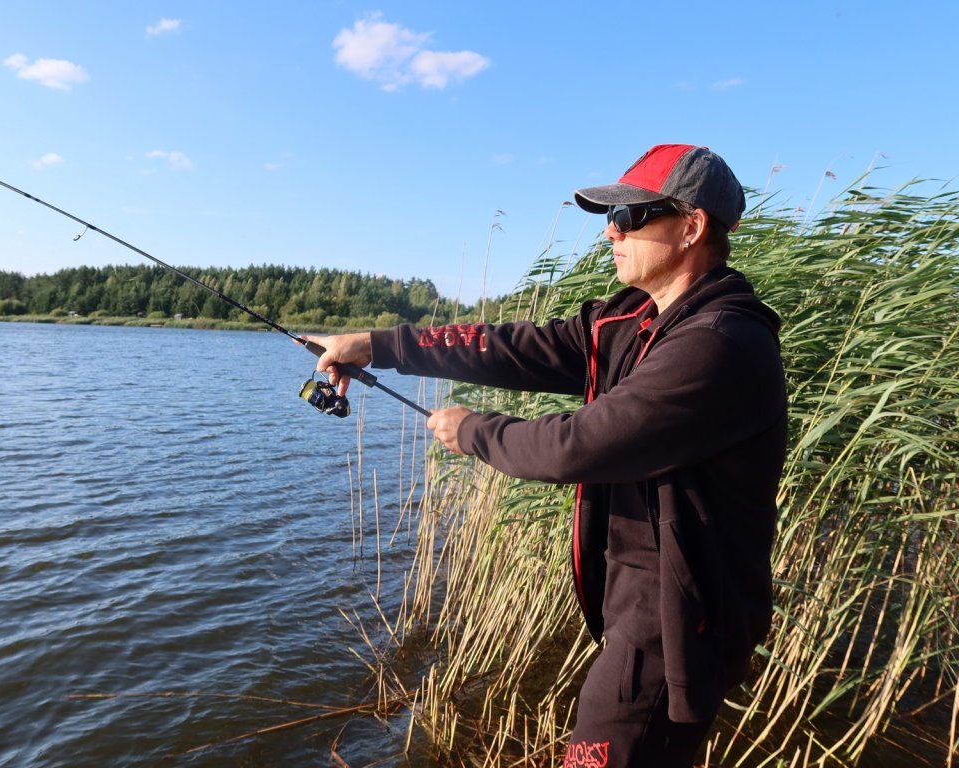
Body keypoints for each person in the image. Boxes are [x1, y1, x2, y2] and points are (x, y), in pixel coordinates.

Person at [309, 144, 787, 768]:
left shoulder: (720, 343)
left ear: (692, 227)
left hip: (676, 628)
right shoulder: (633, 321)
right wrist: (376, 344)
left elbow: (582, 443)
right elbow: (510, 346)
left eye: (632, 218)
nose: (611, 232)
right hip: (643, 609)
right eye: (608, 218)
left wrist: (473, 430)